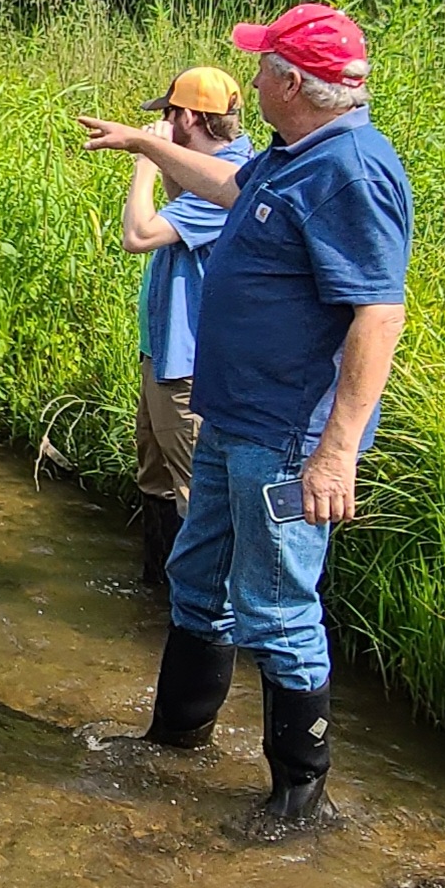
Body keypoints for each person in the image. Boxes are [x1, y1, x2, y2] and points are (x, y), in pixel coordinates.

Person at [79, 1, 412, 837]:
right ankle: (174, 739)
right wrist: (146, 142)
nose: (251, 77)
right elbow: (225, 185)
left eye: (262, 66)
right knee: (197, 580)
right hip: (229, 417)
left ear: (292, 85)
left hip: (285, 438)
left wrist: (335, 455)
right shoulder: (290, 152)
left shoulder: (352, 169)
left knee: (276, 608)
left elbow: (378, 313)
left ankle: (301, 800)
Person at [120, 66, 253, 587]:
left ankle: (197, 611)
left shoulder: (233, 181)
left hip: (189, 365)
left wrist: (146, 159)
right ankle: (156, 594)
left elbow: (141, 233)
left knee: (192, 489)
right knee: (154, 477)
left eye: (169, 114)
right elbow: (183, 209)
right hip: (162, 353)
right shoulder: (208, 174)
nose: (162, 122)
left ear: (190, 117)